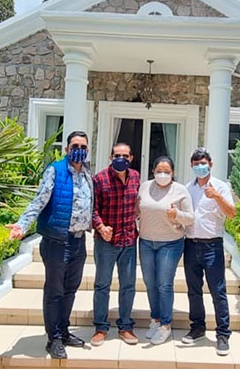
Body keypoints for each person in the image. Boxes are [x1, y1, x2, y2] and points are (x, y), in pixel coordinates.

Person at [6, 131, 93, 360]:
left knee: (70, 289)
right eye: (75, 146)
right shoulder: (55, 170)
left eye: (83, 146)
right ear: (67, 149)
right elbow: (40, 200)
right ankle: (53, 338)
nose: (79, 150)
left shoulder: (86, 172)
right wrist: (22, 225)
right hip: (57, 241)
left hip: (78, 241)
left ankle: (63, 332)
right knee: (55, 291)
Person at [182, 147, 237, 356]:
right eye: (196, 164)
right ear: (191, 166)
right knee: (193, 290)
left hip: (212, 246)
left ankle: (223, 334)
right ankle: (197, 327)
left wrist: (217, 197)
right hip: (190, 244)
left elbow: (232, 213)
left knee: (218, 290)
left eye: (203, 163)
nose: (200, 167)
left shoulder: (220, 187)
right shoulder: (187, 188)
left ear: (211, 164)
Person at [137, 156, 194, 345]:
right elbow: (138, 209)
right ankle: (155, 319)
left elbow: (190, 218)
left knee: (164, 284)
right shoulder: (145, 187)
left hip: (170, 243)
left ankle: (166, 325)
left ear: (173, 173)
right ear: (153, 171)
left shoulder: (180, 190)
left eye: (167, 172)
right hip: (146, 242)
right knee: (150, 282)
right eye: (159, 171)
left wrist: (176, 214)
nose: (163, 174)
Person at [89, 143, 140, 347]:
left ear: (131, 158)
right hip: (106, 242)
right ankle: (101, 327)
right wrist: (101, 227)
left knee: (128, 285)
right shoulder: (99, 179)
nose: (121, 159)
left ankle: (125, 326)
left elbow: (138, 204)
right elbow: (92, 209)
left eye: (125, 156)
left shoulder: (136, 177)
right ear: (111, 157)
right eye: (117, 155)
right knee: (102, 285)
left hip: (129, 240)